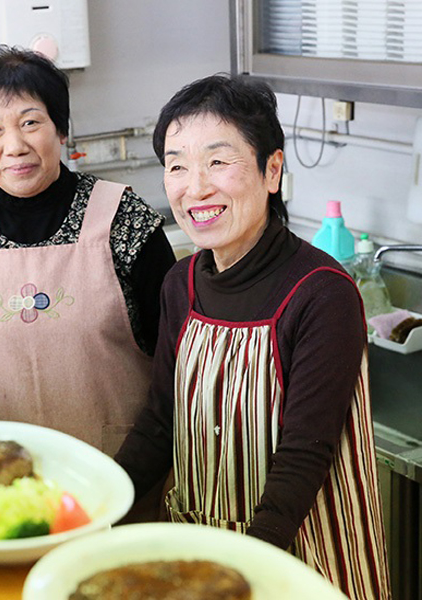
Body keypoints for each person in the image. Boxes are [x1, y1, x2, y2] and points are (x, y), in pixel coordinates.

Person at [115, 74, 391, 598]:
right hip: (204, 551)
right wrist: (95, 510)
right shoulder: (182, 283)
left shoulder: (322, 295)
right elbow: (159, 420)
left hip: (299, 559)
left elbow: (303, 457)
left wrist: (243, 575)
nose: (195, 186)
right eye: (177, 166)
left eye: (218, 162)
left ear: (272, 170)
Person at [0, 45, 176, 454]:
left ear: (61, 130)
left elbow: (174, 353)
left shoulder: (123, 218)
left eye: (30, 122)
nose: (14, 145)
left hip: (122, 470)